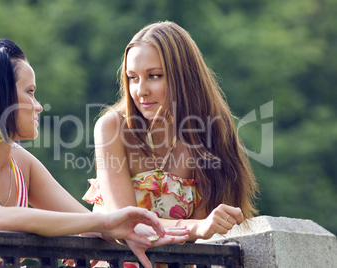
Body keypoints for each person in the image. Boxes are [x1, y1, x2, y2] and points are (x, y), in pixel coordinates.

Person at [0, 39, 189, 267]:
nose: (38, 106)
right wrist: (106, 223)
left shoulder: (21, 163)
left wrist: (123, 234)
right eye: (30, 92)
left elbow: (83, 222)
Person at [83, 21, 259, 248]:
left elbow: (206, 230)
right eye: (132, 77)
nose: (140, 90)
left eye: (154, 76)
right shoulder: (112, 127)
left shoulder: (210, 130)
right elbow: (125, 224)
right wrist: (198, 227)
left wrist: (208, 224)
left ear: (183, 77)